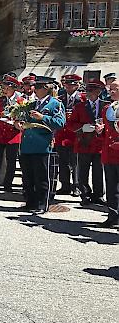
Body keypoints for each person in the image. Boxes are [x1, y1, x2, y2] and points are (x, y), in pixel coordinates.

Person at [17, 76, 66, 213]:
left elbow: (60, 123)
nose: (34, 89)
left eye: (37, 87)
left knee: (42, 177)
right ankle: (30, 202)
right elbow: (23, 119)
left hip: (43, 145)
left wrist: (43, 117)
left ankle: (42, 204)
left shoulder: (55, 103)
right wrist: (18, 124)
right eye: (34, 86)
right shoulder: (31, 104)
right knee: (28, 177)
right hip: (27, 145)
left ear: (46, 88)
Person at [67, 79, 106, 206]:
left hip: (100, 144)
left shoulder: (106, 105)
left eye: (91, 90)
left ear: (98, 92)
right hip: (84, 143)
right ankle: (85, 194)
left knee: (98, 171)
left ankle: (98, 195)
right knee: (82, 171)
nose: (88, 93)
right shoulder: (79, 106)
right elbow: (70, 124)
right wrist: (82, 127)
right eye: (87, 90)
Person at [0, 76, 22, 192]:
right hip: (0, 133)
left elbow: (22, 117)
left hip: (13, 135)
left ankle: (8, 184)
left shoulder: (20, 101)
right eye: (4, 87)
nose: (4, 90)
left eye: (7, 88)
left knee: (11, 161)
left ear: (13, 88)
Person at [56, 74, 84, 196]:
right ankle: (65, 185)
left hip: (76, 134)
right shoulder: (60, 98)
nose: (68, 86)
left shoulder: (82, 98)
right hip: (62, 134)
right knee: (63, 161)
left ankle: (76, 185)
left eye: (71, 84)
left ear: (77, 85)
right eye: (66, 84)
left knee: (75, 162)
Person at [98, 81, 119, 227]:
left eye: (115, 89)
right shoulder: (107, 108)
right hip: (109, 152)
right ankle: (113, 216)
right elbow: (107, 133)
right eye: (110, 89)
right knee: (111, 187)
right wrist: (101, 131)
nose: (111, 92)